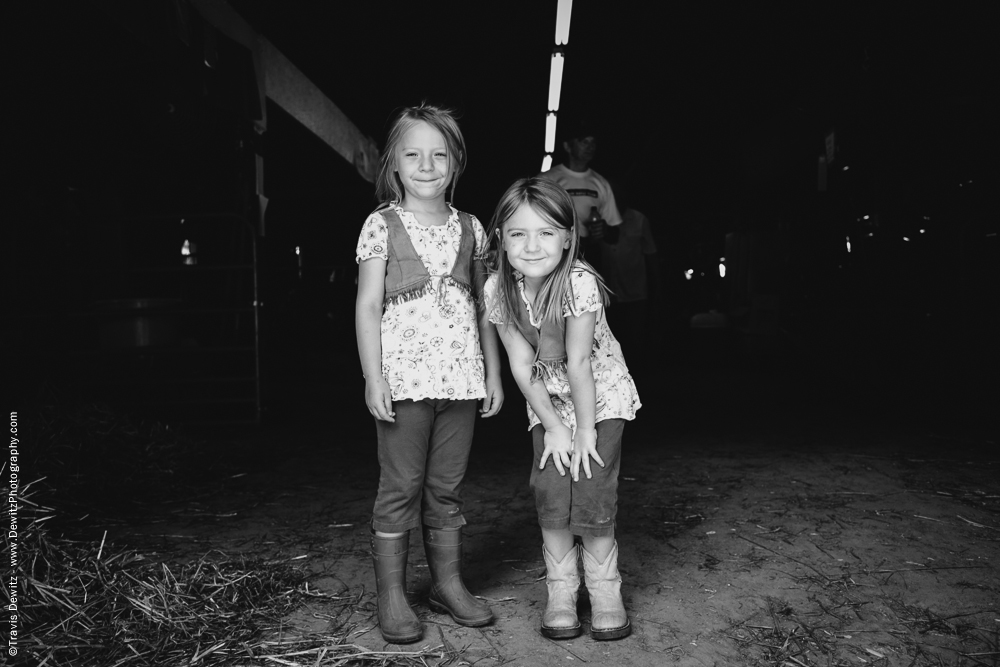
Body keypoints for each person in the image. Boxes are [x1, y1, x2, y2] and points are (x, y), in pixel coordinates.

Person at [355, 103, 504, 644]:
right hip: (405, 383)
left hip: (461, 381)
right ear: (393, 162)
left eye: (439, 154)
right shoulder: (381, 224)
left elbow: (486, 309)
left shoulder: (471, 228)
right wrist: (374, 377)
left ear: (456, 163)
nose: (426, 165)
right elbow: (368, 306)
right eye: (413, 154)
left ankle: (447, 583)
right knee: (401, 486)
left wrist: (492, 373)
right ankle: (392, 595)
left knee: (445, 488)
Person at [483, 177, 640, 641]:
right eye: (518, 234)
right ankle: (561, 590)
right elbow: (519, 362)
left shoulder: (580, 282)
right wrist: (553, 425)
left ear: (569, 236)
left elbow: (578, 362)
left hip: (600, 396)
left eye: (547, 232)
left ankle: (606, 590)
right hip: (547, 400)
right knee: (552, 488)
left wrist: (585, 431)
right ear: (502, 240)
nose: (532, 246)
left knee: (590, 484)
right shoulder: (498, 289)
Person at [537, 120, 622, 277]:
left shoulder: (600, 182)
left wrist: (603, 230)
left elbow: (614, 233)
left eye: (593, 142)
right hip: (554, 259)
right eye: (584, 142)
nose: (590, 147)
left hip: (589, 259)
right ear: (567, 147)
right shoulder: (547, 180)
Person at [602, 182, 661, 363]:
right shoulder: (598, 220)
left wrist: (657, 288)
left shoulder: (639, 219)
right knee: (609, 338)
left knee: (635, 337)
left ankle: (638, 376)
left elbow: (651, 255)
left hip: (635, 290)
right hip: (606, 292)